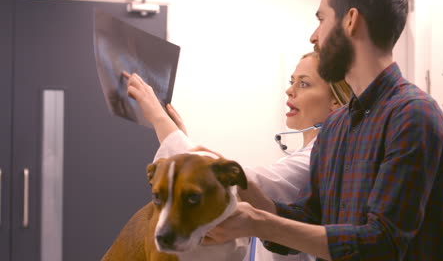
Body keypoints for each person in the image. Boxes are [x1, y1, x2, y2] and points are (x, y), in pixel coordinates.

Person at [198, 0, 443, 260]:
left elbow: (383, 244)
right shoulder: (336, 126)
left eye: (321, 20)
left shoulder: (413, 116)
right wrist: (249, 192)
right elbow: (310, 219)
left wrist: (261, 223)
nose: (313, 36)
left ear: (351, 20)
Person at [123, 51, 352, 261]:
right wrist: (179, 140)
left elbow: (225, 183)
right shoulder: (304, 153)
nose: (290, 90)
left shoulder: (315, 157)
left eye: (304, 84)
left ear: (335, 101)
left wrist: (158, 117)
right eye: (292, 82)